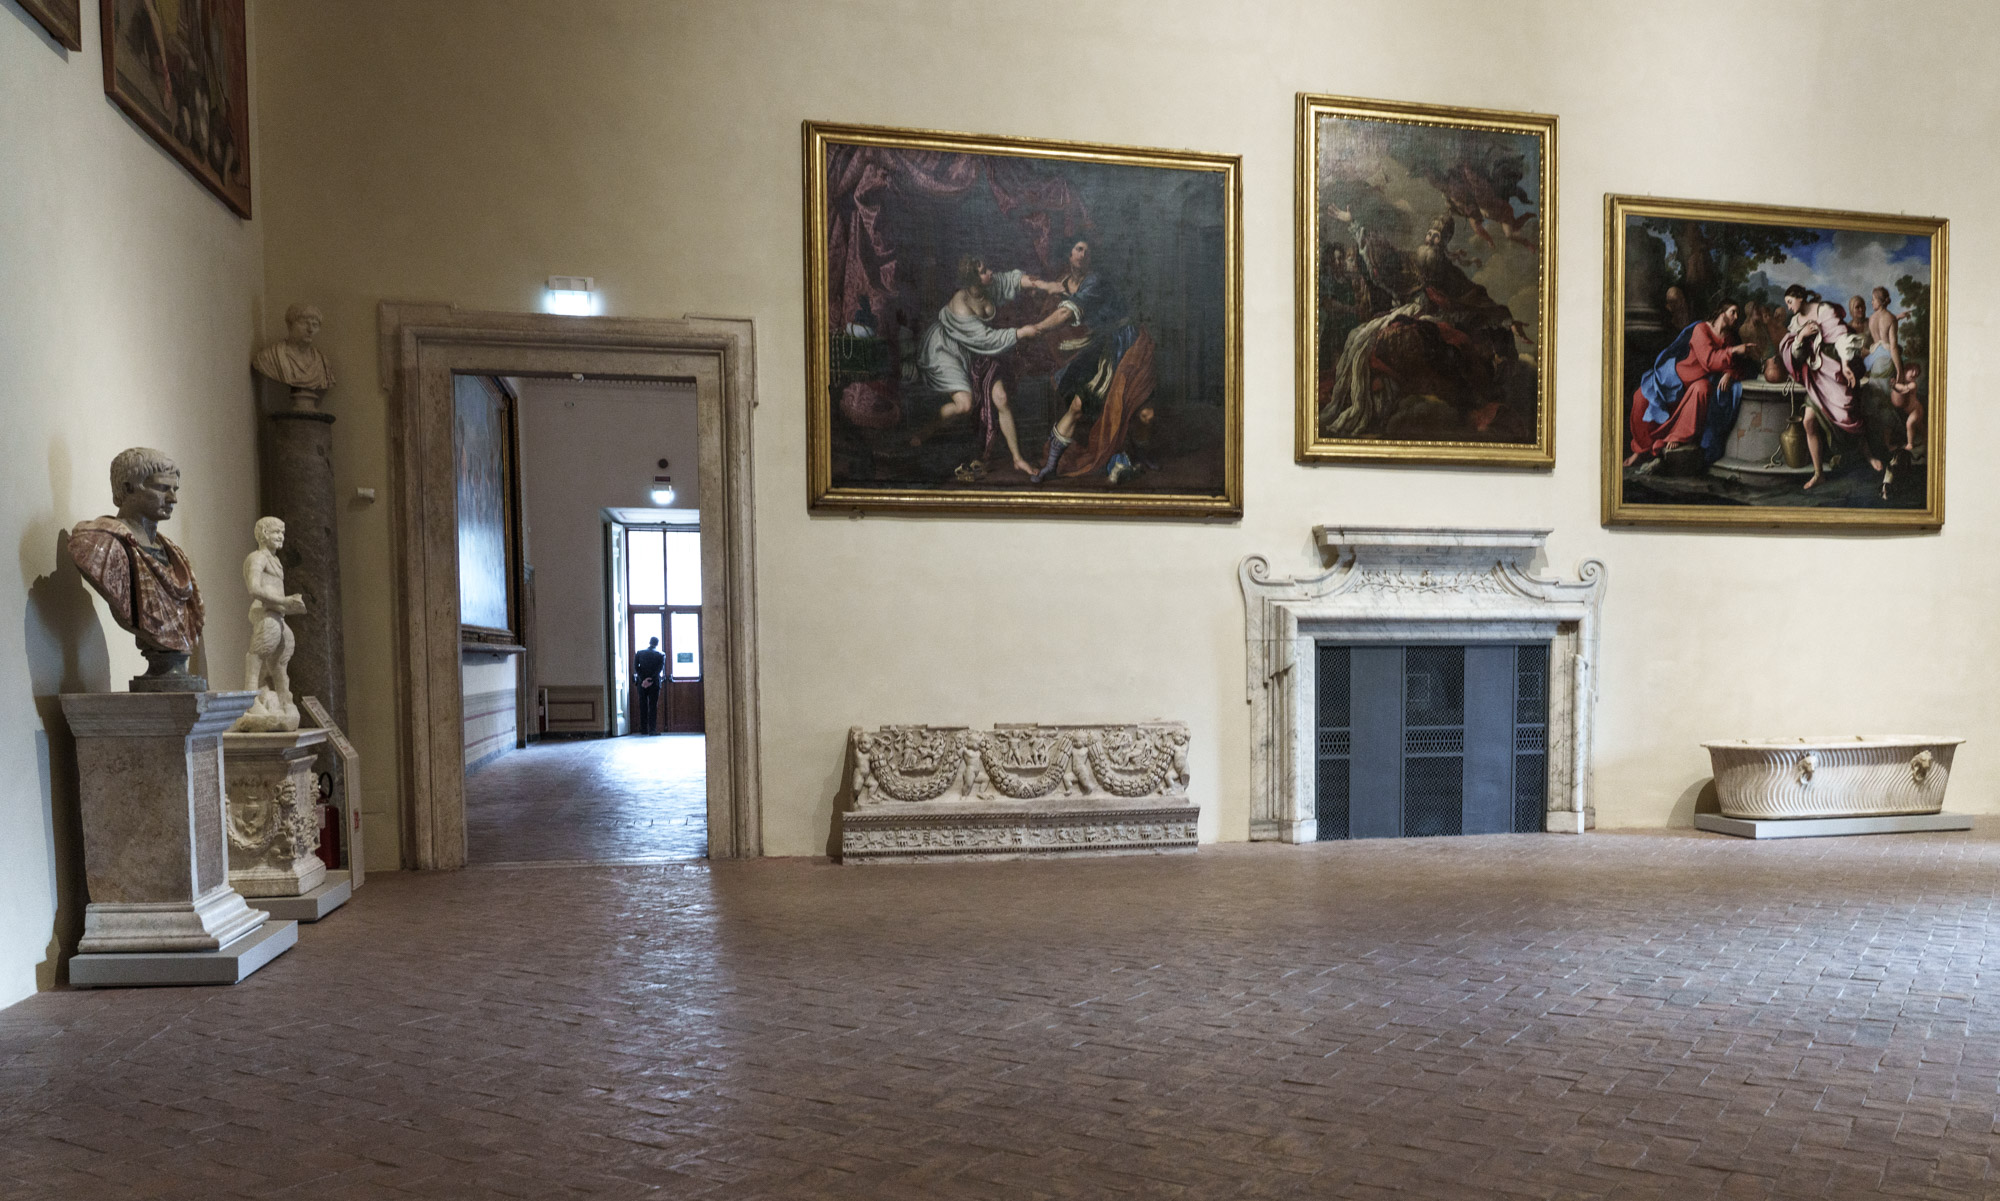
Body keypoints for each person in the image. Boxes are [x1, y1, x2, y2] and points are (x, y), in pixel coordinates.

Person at [1021, 239, 1157, 483]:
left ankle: (1141, 454)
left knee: (1145, 413)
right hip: (1103, 346)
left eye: (1088, 251)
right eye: (1078, 249)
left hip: (1127, 345)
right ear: (1069, 254)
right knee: (1077, 406)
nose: (1083, 255)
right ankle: (1051, 465)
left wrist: (1036, 329)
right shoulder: (1063, 282)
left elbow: (1065, 313)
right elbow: (1052, 307)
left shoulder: (1095, 281)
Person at [68, 448, 206, 686]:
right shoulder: (100, 544)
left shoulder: (175, 555)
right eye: (162, 488)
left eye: (175, 489)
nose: (173, 499)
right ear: (129, 487)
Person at [910, 255, 1048, 477]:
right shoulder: (961, 305)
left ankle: (1017, 459)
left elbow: (1010, 280)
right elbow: (987, 339)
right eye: (984, 271)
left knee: (1001, 397)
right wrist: (1021, 332)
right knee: (965, 405)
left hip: (976, 351)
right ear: (972, 279)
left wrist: (1043, 285)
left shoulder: (987, 287)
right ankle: (924, 432)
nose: (990, 272)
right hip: (947, 349)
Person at [1626, 301, 1753, 466]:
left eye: (1737, 314)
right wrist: (1734, 350)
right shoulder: (1701, 329)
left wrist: (1728, 373)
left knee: (1702, 388)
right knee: (1641, 398)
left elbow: (1736, 364)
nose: (1736, 317)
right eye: (1733, 312)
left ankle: (1677, 435)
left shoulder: (1729, 338)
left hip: (1696, 382)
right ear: (1722, 313)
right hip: (1676, 378)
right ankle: (1640, 450)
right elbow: (1709, 360)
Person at [1782, 294, 1881, 490]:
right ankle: (1818, 473)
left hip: (1835, 372)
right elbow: (1796, 355)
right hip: (1816, 379)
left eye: (1790, 302)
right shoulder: (1795, 323)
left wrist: (1845, 365)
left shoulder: (1824, 310)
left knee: (1848, 416)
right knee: (1808, 421)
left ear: (1800, 298)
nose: (1789, 307)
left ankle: (1868, 455)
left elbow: (1842, 339)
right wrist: (1801, 337)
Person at [238, 517, 306, 731]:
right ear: (264, 534)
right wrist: (283, 601)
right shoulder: (257, 557)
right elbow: (254, 588)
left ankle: (285, 700)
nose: (281, 537)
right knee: (259, 651)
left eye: (282, 533)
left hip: (278, 614)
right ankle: (250, 698)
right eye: (276, 532)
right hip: (265, 612)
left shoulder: (275, 560)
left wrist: (288, 605)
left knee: (282, 657)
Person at [251, 303, 336, 407]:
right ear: (290, 325)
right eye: (304, 323)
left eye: (315, 325)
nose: (310, 329)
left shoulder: (323, 363)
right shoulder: (268, 357)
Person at [1865, 285, 1904, 380]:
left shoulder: (1871, 319)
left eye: (1873, 299)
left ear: (1880, 301)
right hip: (1887, 357)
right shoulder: (1891, 318)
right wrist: (1899, 371)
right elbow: (1893, 347)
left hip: (1873, 358)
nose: (1872, 302)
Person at [632, 637, 665, 735]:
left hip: (641, 683)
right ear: (657, 644)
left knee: (643, 705)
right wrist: (651, 680)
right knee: (653, 706)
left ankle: (643, 729)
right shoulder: (661, 654)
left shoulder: (639, 653)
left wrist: (643, 679)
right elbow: (659, 669)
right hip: (654, 683)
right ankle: (652, 730)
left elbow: (636, 667)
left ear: (649, 642)